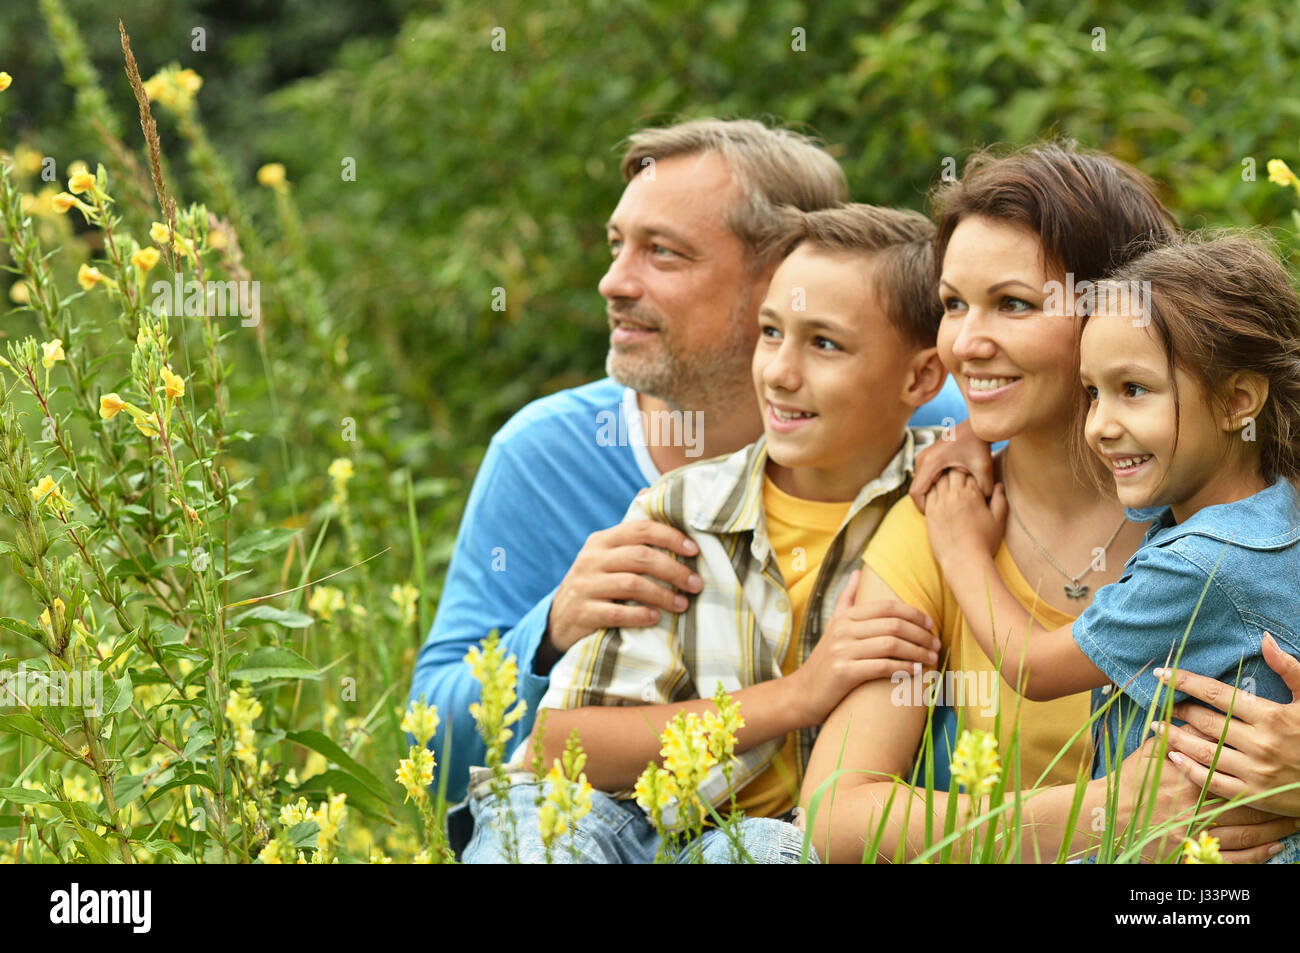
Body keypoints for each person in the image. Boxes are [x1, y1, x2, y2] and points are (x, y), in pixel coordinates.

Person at [407, 119, 967, 812]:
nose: (613, 281)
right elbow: (429, 757)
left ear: (784, 271)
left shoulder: (939, 425)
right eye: (617, 246)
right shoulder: (545, 457)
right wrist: (549, 630)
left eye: (662, 254)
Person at [799, 142, 1297, 863]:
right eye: (951, 305)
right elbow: (834, 815)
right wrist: (1105, 813)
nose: (965, 345)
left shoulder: (1233, 524)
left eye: (1013, 304)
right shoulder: (944, 511)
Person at [925, 232, 1300, 863]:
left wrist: (958, 545)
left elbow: (1033, 669)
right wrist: (969, 429)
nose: (1099, 425)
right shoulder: (1272, 506)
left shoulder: (1199, 562)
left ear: (1239, 401)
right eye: (1092, 392)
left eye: (1134, 390)